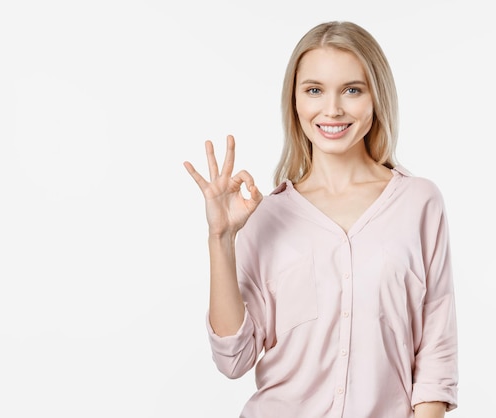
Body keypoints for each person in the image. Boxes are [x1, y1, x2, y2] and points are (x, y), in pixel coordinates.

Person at [184, 21, 458, 418]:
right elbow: (234, 358)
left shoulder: (419, 203)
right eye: (314, 90)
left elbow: (436, 353)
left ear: (376, 97)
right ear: (294, 100)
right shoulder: (266, 216)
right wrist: (220, 239)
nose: (332, 109)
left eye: (352, 89)